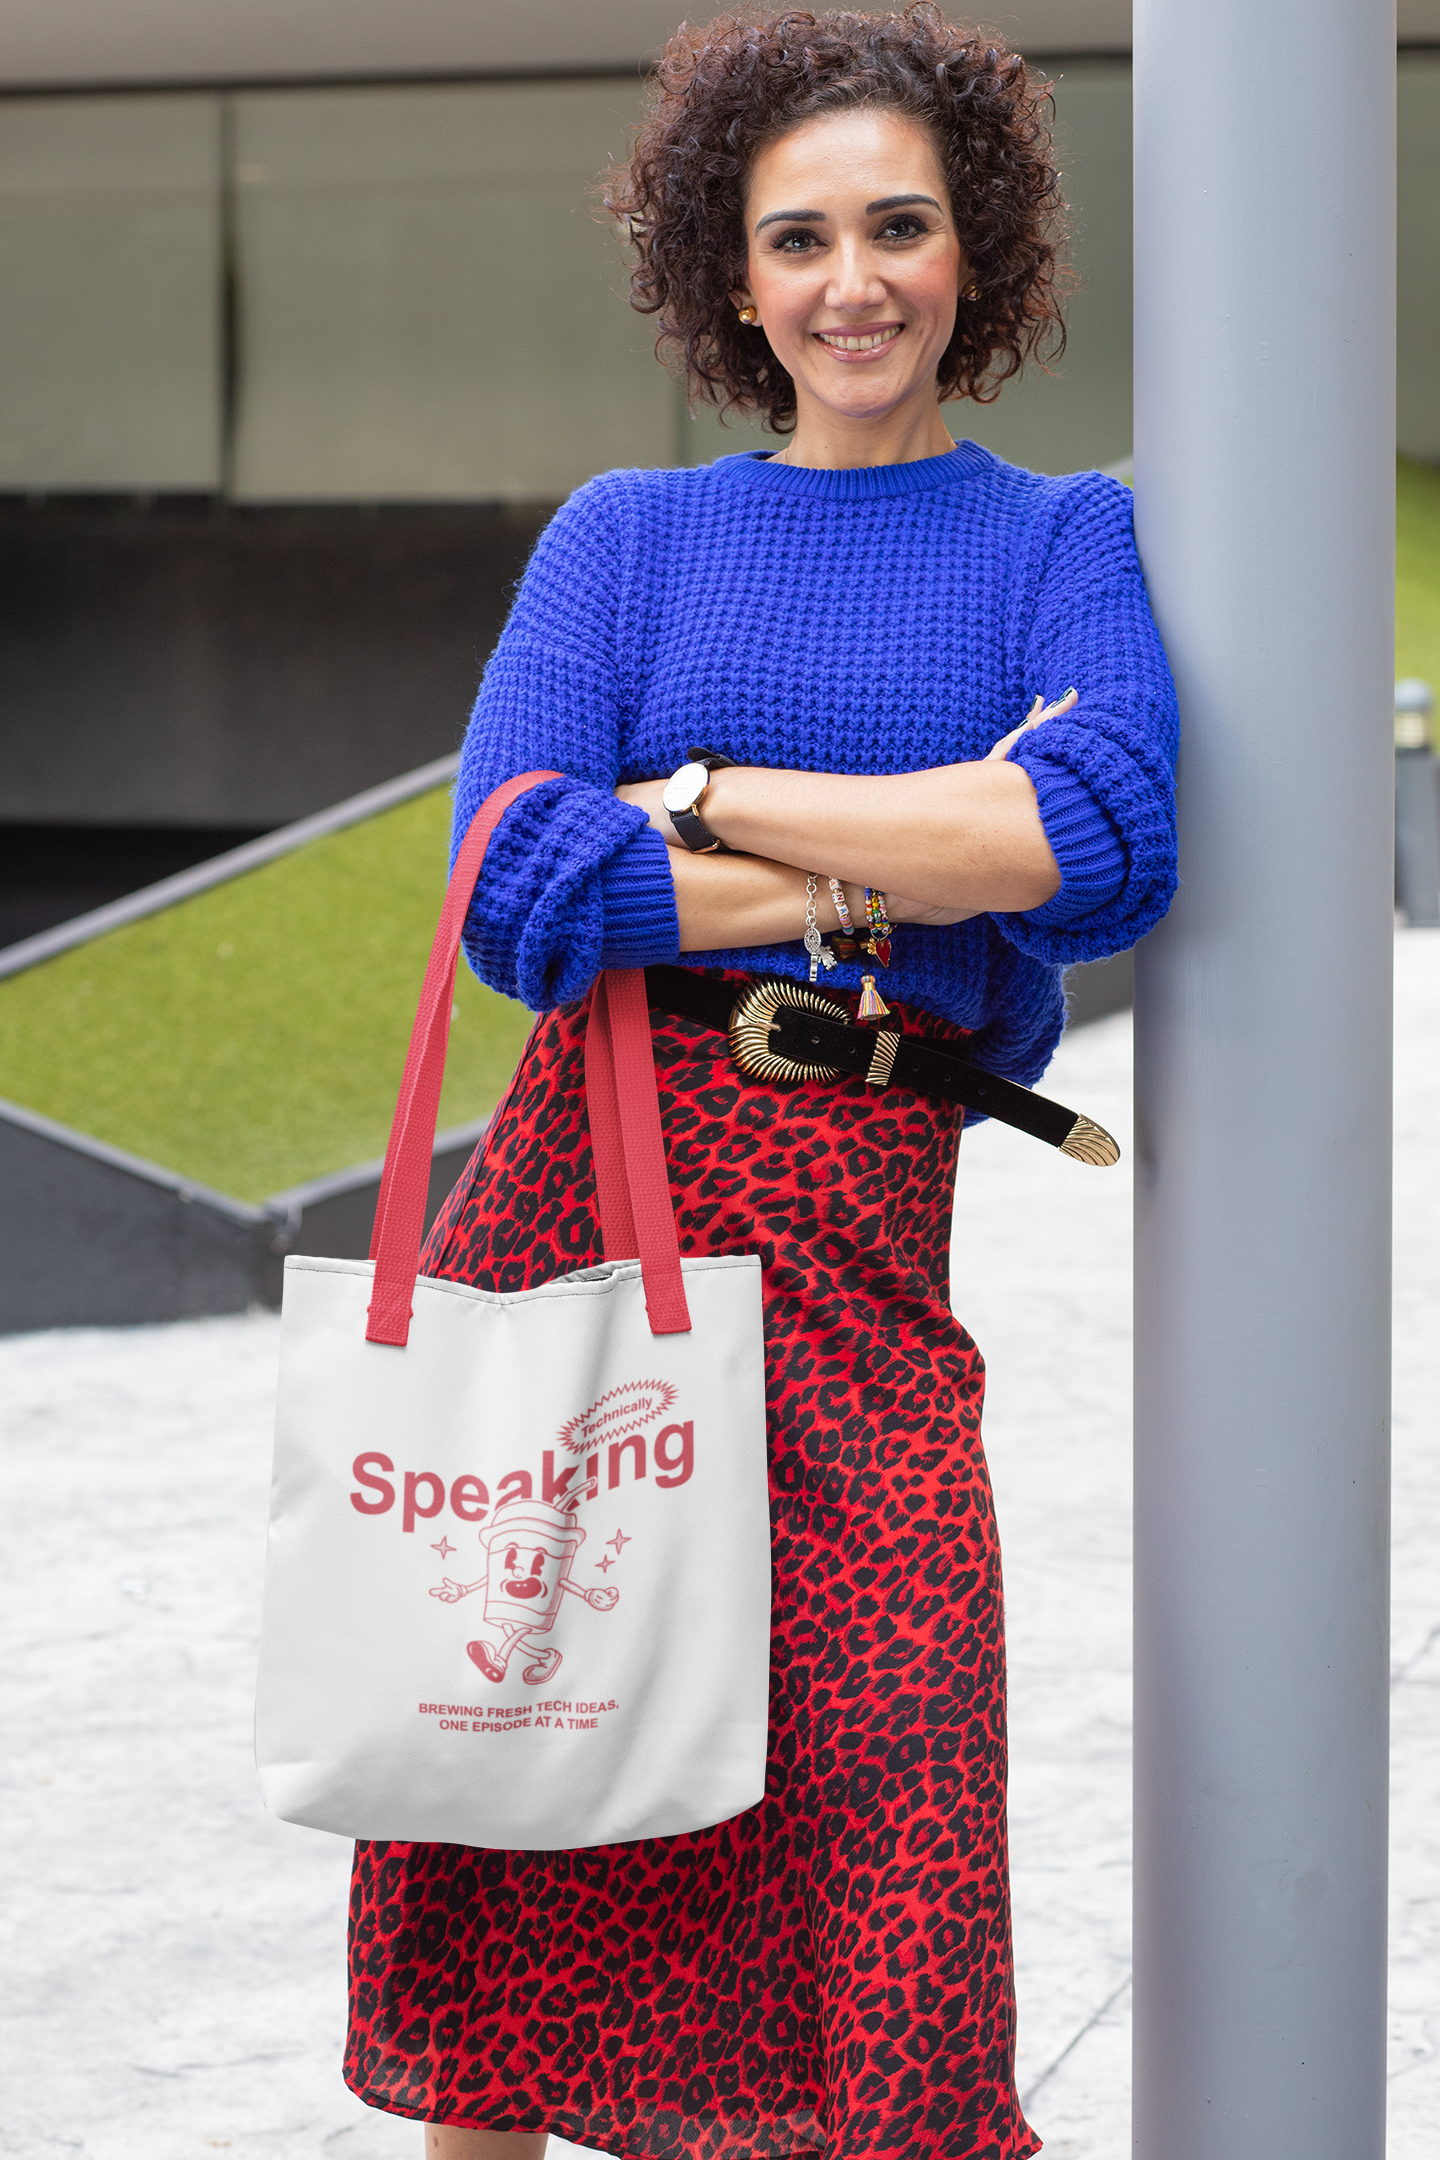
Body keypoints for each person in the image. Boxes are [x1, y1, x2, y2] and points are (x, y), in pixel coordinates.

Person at [343, 8, 1177, 2156]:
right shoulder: (628, 534)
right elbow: (518, 881)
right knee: (530, 1806)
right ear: (730, 275)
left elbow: (1098, 837)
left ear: (976, 248)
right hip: (584, 1221)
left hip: (861, 1259)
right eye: (798, 239)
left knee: (899, 1830)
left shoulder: (1057, 539)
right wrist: (914, 853)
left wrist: (703, 795)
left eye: (900, 226)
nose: (852, 283)